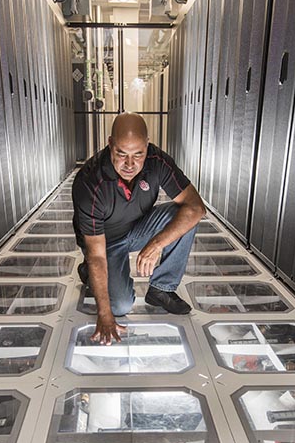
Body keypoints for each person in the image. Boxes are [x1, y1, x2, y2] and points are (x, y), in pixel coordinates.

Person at [72, 112, 205, 345]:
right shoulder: (89, 183)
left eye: (138, 154)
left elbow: (196, 207)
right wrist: (104, 314)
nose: (130, 164)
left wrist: (156, 244)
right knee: (120, 306)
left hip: (138, 229)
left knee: (185, 215)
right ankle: (88, 274)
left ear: (147, 145)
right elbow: (97, 254)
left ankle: (161, 289)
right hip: (105, 242)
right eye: (121, 154)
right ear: (110, 144)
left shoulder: (157, 161)